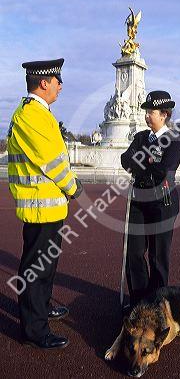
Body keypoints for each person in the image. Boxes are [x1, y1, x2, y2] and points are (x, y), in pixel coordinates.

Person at [7, 58, 83, 349]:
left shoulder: (38, 113)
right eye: (57, 81)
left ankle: (41, 307)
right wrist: (74, 187)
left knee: (46, 264)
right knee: (36, 267)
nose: (60, 86)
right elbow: (52, 162)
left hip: (47, 205)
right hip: (40, 205)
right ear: (43, 83)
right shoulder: (32, 115)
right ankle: (34, 329)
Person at [121, 90, 180, 308]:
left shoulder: (175, 139)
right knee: (134, 253)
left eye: (152, 112)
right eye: (147, 111)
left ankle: (157, 304)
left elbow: (165, 170)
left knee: (158, 256)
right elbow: (125, 160)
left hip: (162, 203)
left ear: (164, 114)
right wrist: (148, 159)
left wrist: (143, 161)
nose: (147, 116)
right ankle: (139, 302)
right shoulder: (140, 137)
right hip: (139, 201)